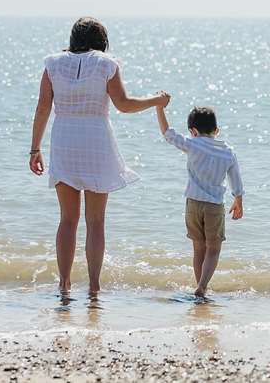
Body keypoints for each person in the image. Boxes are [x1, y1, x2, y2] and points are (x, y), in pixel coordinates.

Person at [29, 17, 167, 295]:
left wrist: (35, 149)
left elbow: (43, 107)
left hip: (64, 139)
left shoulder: (53, 64)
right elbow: (124, 105)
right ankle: (93, 286)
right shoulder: (106, 64)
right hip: (96, 141)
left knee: (67, 220)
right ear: (101, 40)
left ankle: (64, 284)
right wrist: (157, 100)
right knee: (96, 221)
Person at [155, 96, 244, 298]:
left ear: (193, 131)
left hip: (192, 205)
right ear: (217, 130)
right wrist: (238, 200)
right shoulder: (228, 151)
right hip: (214, 206)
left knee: (198, 249)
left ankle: (200, 287)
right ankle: (203, 286)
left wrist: (159, 108)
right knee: (213, 249)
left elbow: (168, 134)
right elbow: (235, 179)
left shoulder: (192, 144)